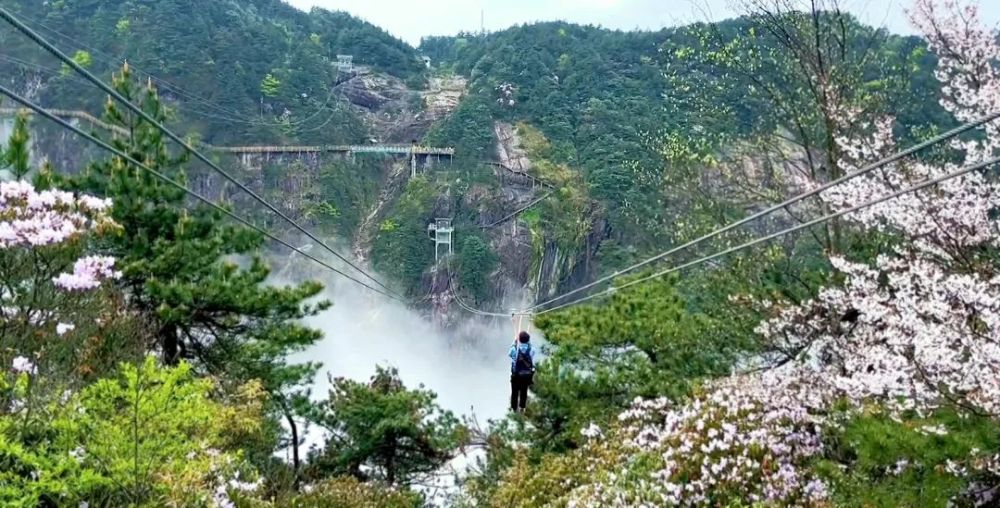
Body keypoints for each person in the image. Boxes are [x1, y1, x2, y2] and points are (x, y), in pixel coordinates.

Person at [508, 330, 535, 412]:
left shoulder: (515, 349)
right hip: (527, 375)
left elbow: (509, 354)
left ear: (519, 339)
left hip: (516, 375)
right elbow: (532, 352)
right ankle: (522, 407)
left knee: (514, 392)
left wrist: (514, 342)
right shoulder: (531, 349)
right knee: (524, 391)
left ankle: (514, 408)